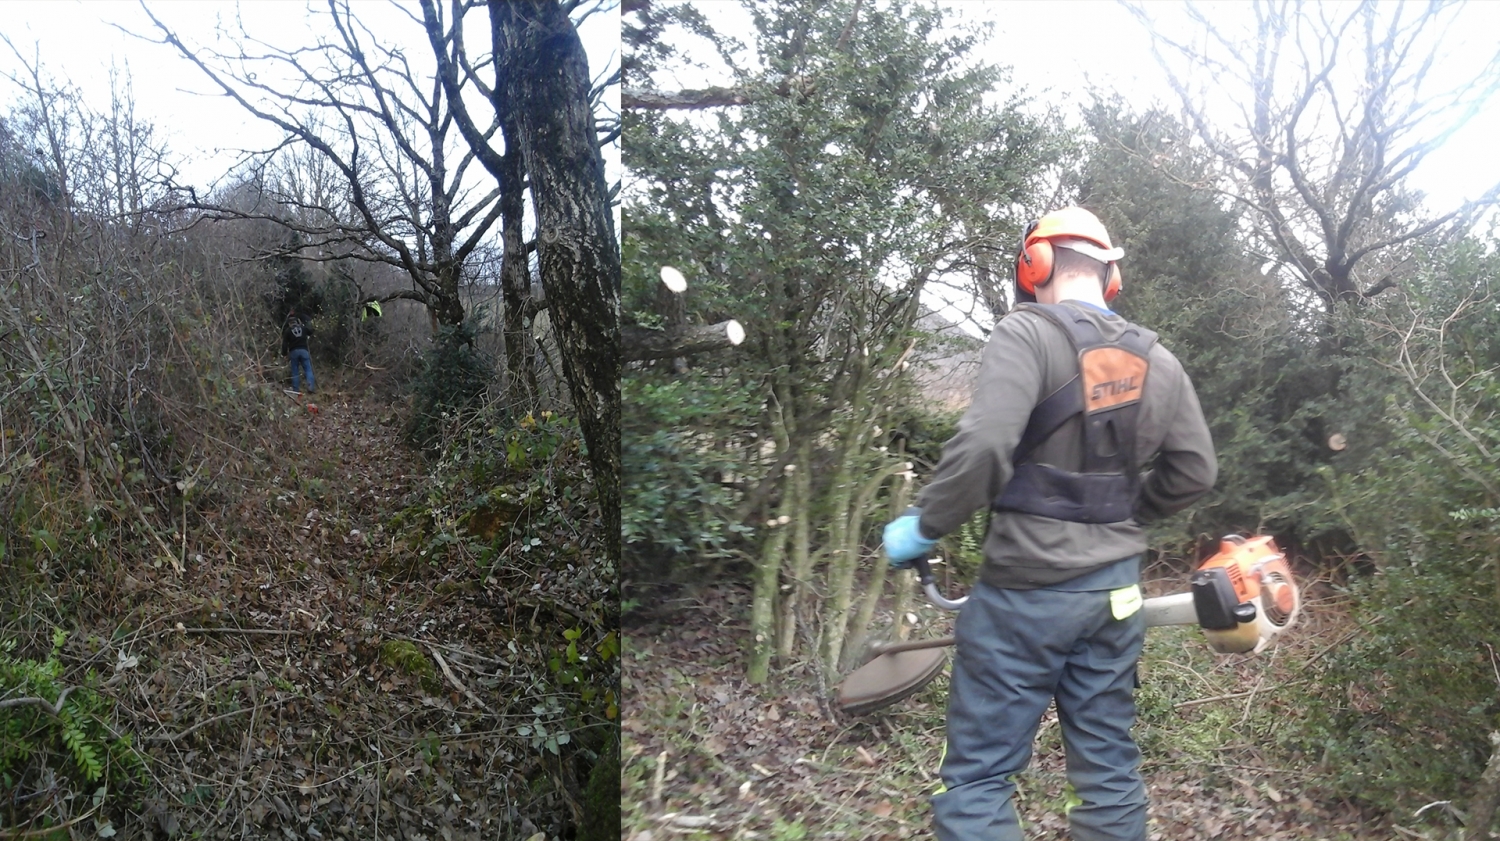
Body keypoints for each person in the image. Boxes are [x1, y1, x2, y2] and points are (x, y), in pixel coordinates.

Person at [882, 207, 1217, 841]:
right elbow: (1196, 471)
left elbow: (983, 448)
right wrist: (1122, 518)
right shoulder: (1160, 359)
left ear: (1033, 266)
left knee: (980, 777)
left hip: (1024, 594)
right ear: (1109, 276)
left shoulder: (1026, 333)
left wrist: (926, 526)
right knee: (1108, 767)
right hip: (1114, 596)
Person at [282, 308, 316, 394]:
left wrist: (284, 354)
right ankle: (310, 387)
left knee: (295, 371)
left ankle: (296, 390)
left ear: (289, 323)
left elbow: (285, 344)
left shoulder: (288, 331)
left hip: (294, 352)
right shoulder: (303, 328)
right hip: (304, 351)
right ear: (297, 322)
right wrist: (307, 321)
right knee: (308, 369)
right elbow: (311, 331)